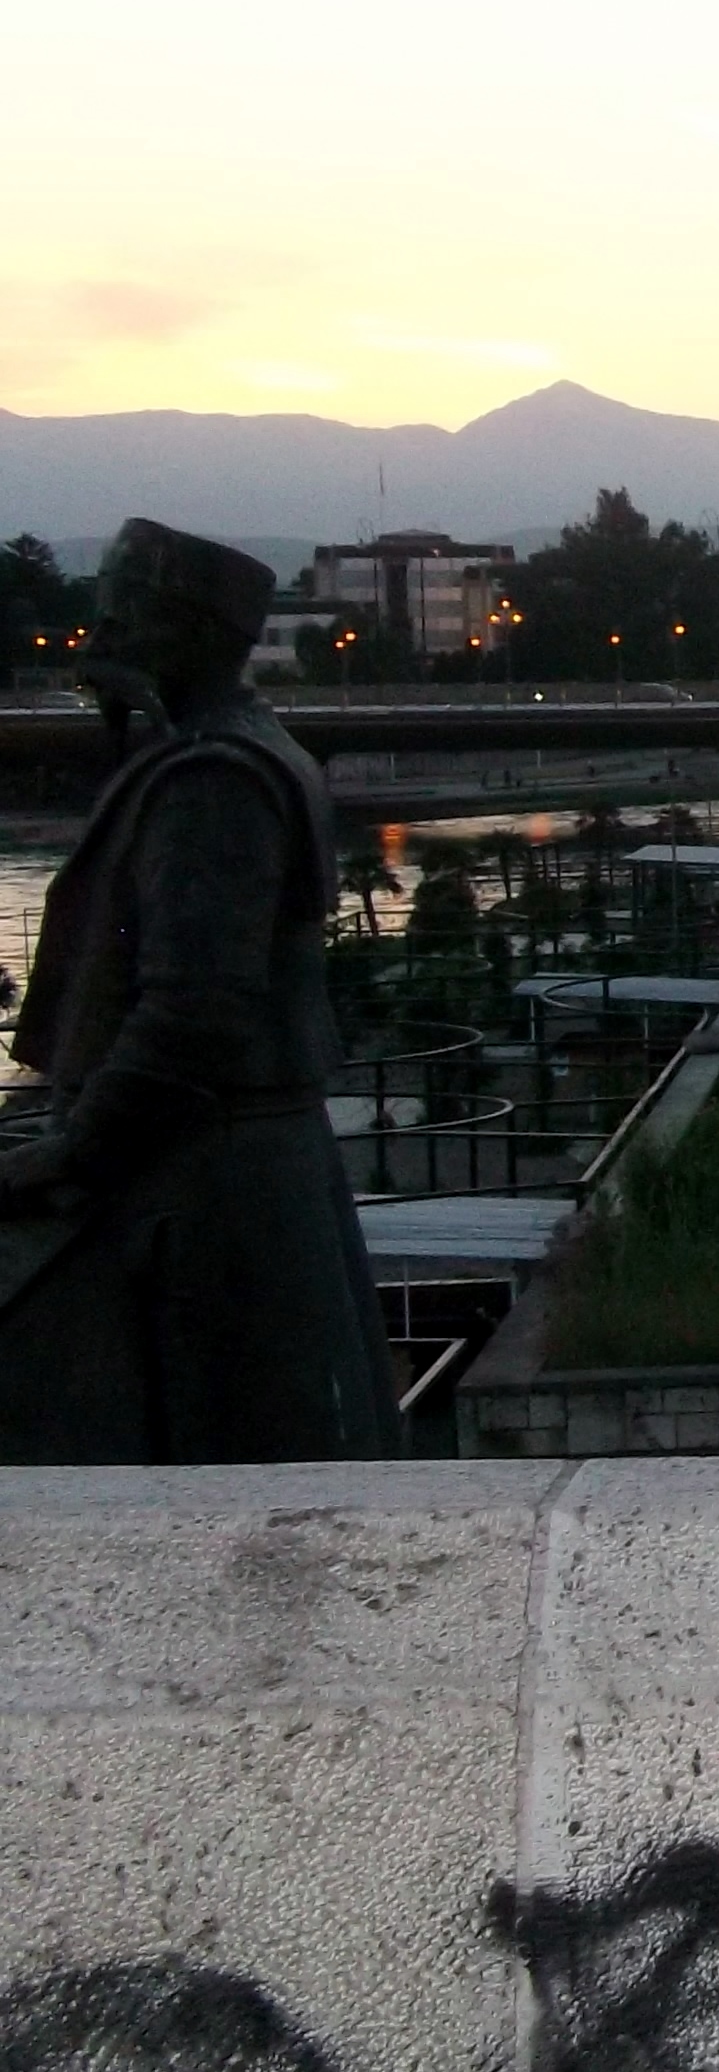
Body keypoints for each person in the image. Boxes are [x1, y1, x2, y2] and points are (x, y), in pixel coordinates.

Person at [0, 519, 395, 1461]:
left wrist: (77, 1153)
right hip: (241, 1171)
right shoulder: (244, 752)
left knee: (221, 1452)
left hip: (209, 1195)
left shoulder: (211, 780)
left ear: (186, 630)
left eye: (123, 611)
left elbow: (193, 1011)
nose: (100, 633)